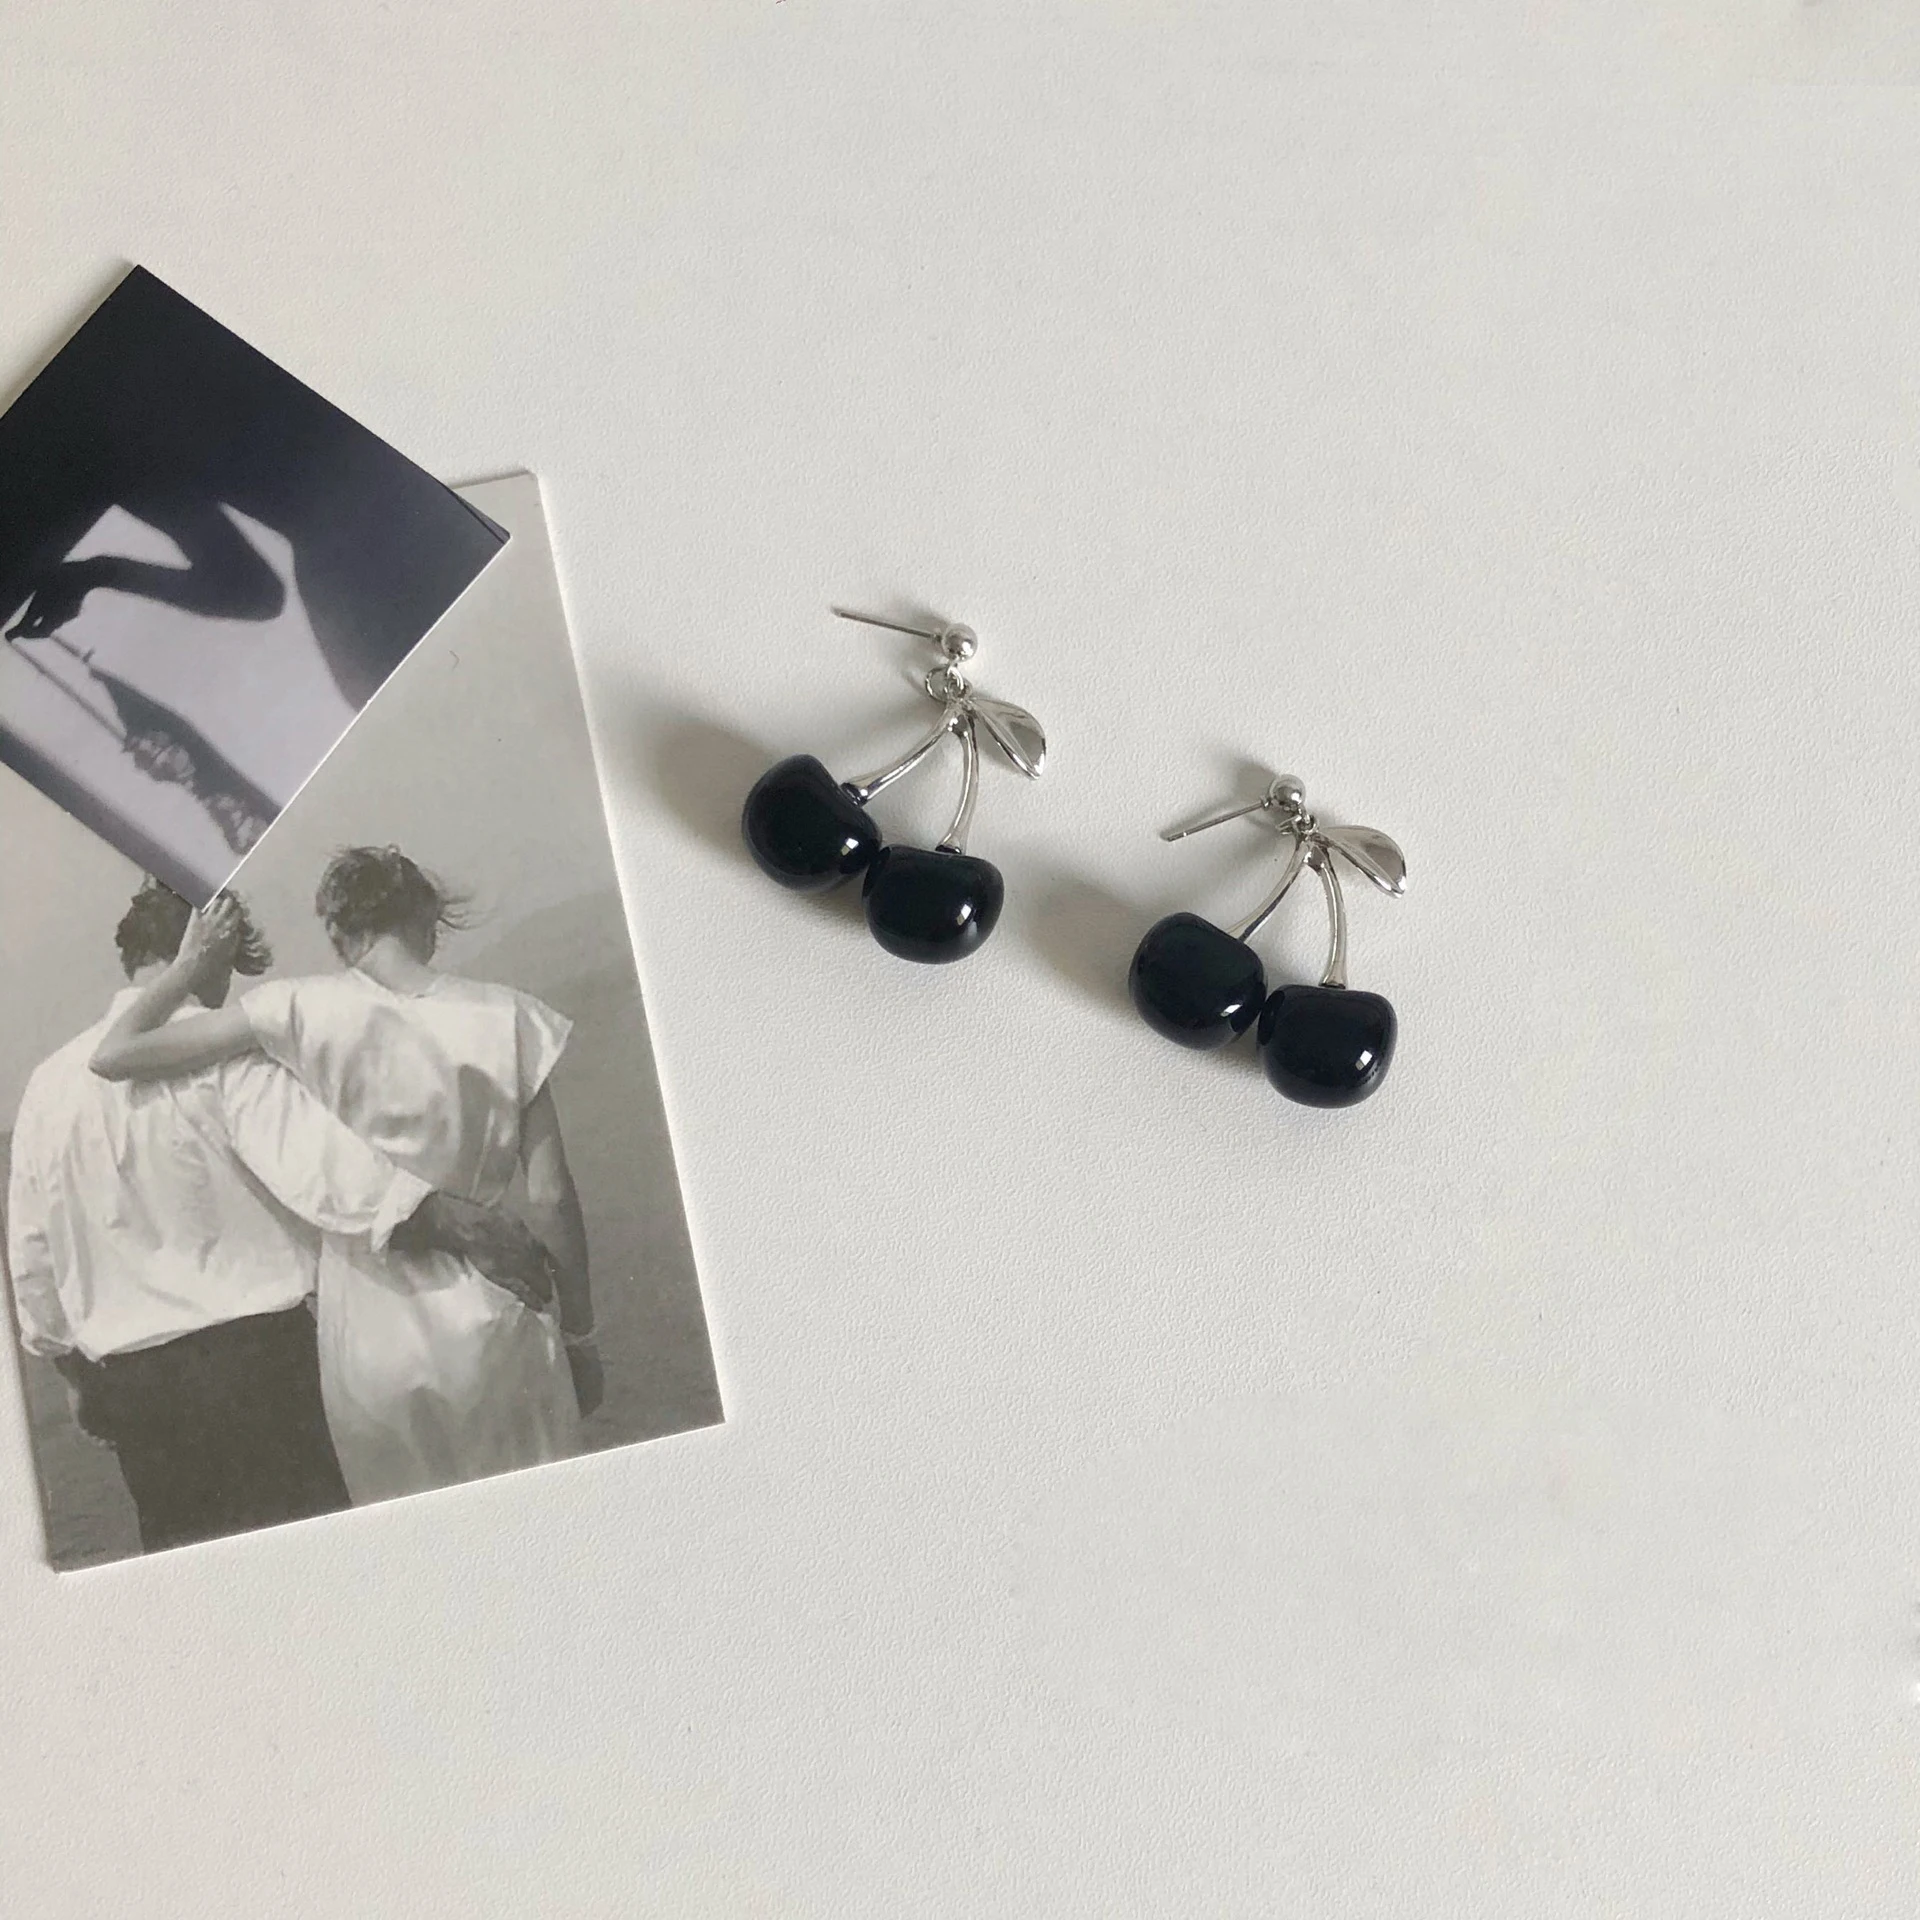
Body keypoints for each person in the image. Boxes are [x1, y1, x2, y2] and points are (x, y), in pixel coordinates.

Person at [6, 881, 558, 1555]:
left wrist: (75, 1380)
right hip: (259, 1371)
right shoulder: (219, 1054)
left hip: (135, 1394)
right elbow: (324, 1171)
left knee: (201, 1585)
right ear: (210, 950)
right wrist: (463, 1227)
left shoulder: (46, 1089)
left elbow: (32, 1260)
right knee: (317, 1569)